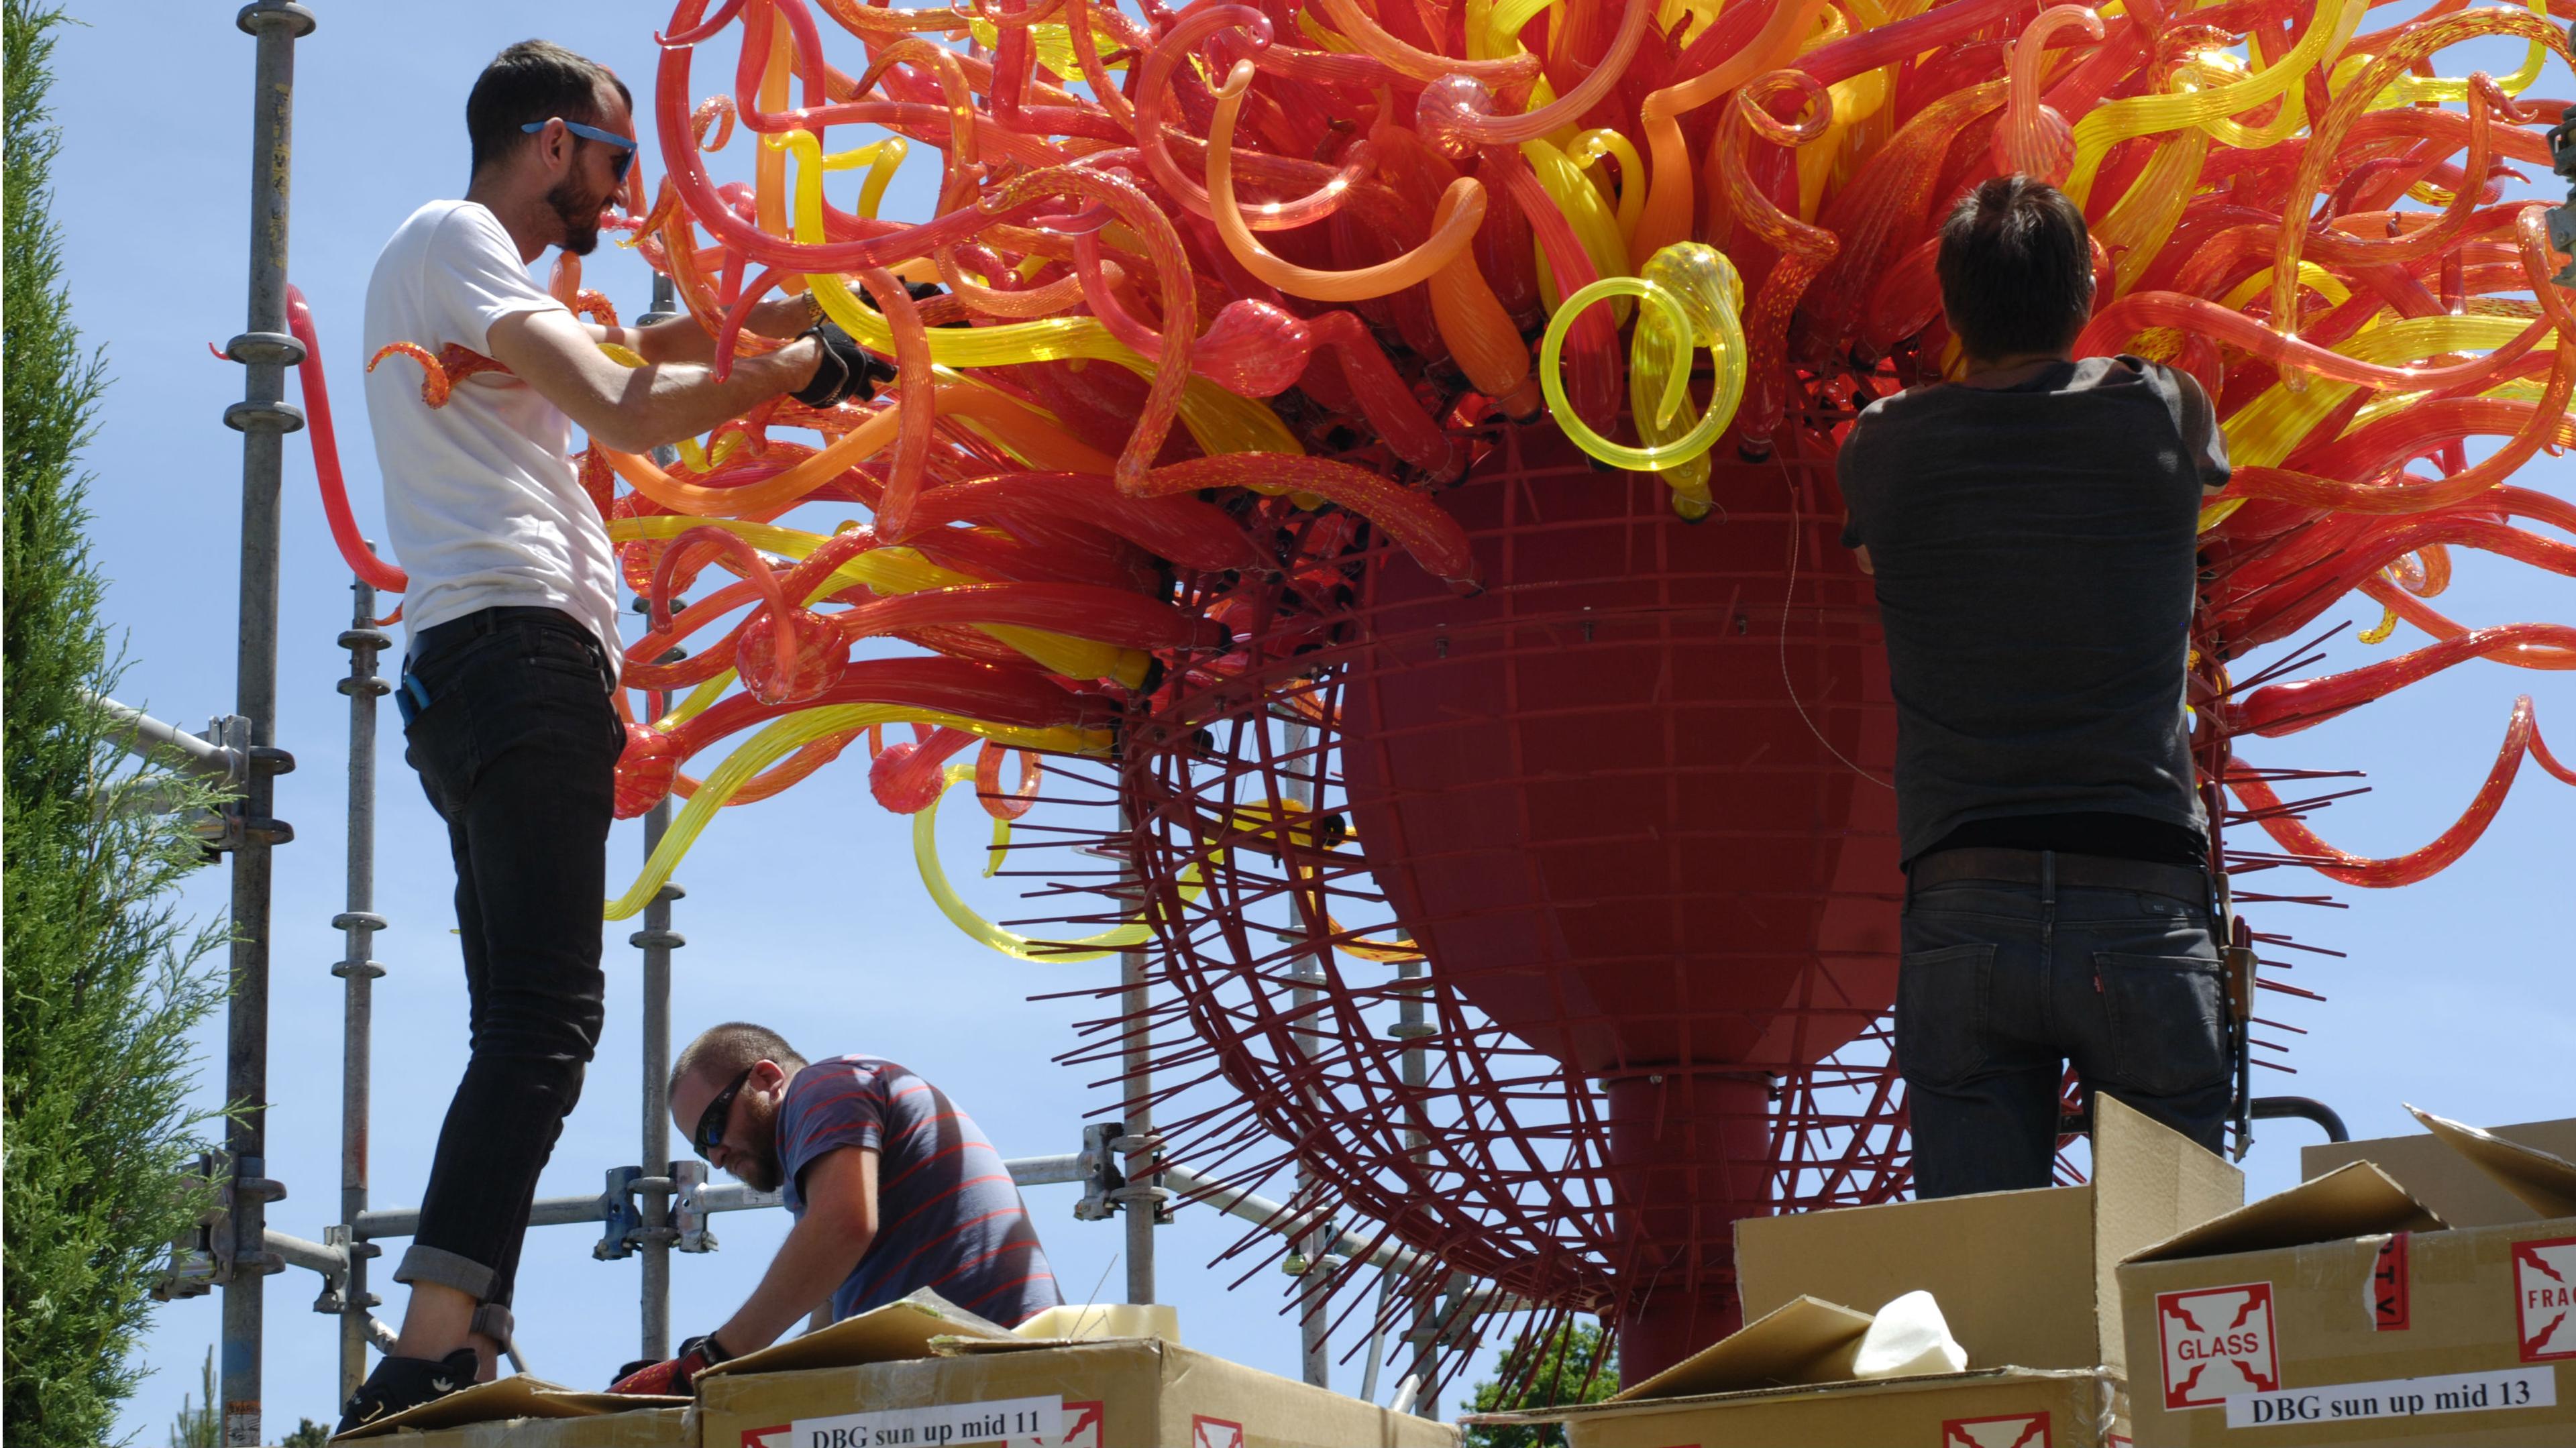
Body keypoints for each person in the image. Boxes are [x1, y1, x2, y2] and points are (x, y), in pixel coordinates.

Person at [339, 40, 879, 1432]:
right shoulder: (456, 235)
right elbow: (627, 403)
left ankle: (463, 1326)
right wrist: (795, 370)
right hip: (518, 657)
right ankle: (427, 1342)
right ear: (549, 142)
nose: (625, 191)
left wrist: (793, 322)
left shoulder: (478, 288)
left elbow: (631, 350)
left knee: (519, 1020)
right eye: (616, 159)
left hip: (480, 672)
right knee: (545, 1020)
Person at [1837, 176, 2235, 1200]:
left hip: (1967, 894)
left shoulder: (1882, 445)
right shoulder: (2170, 404)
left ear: (1947, 304)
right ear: (2089, 285)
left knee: (1983, 1293)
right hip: (2144, 892)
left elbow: (1882, 560)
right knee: (2171, 1291)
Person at [608, 1023, 1065, 1393]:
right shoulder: (823, 1188)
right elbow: (822, 1340)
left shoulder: (825, 1084)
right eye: (704, 1151)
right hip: (975, 1381)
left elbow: (844, 1224)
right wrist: (723, 1380)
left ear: (766, 1078)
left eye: (712, 1128)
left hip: (1007, 1378)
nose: (718, 1156)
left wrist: (711, 1359)